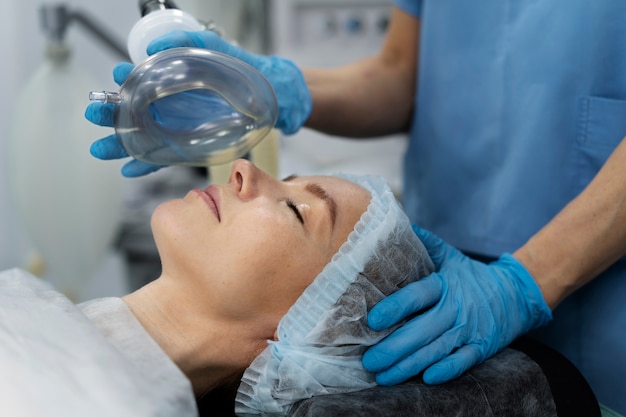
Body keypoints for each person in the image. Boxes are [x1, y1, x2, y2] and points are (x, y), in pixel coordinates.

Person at [85, 2, 626, 413]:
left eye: (298, 211)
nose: (242, 170)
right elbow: (398, 73)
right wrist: (278, 92)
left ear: (303, 335)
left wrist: (527, 281)